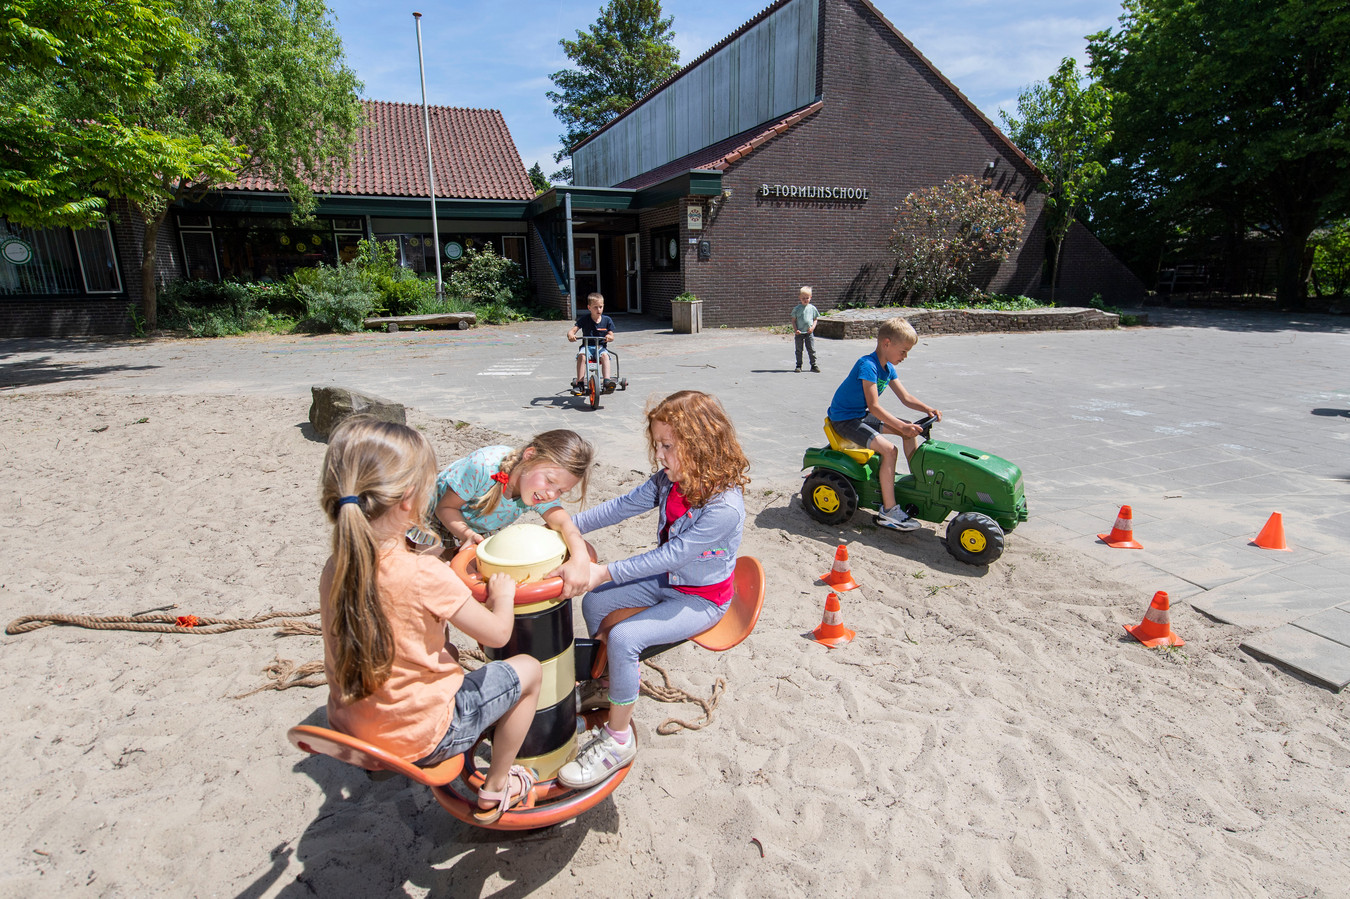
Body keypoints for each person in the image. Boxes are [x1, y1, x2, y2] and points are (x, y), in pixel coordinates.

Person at [318, 415, 542, 824]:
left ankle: (376, 764)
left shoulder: (338, 563)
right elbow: (498, 631)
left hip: (350, 725)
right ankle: (496, 788)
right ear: (409, 498)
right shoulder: (424, 574)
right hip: (421, 736)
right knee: (528, 671)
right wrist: (504, 596)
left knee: (448, 649)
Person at [556, 390, 751, 789]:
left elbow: (673, 556)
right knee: (595, 603)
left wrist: (603, 571)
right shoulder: (668, 482)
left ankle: (618, 740)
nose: (660, 455)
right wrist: (567, 527)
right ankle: (606, 687)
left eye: (668, 446)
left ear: (701, 445)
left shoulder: (724, 507)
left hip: (702, 598)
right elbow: (621, 506)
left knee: (626, 636)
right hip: (669, 583)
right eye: (658, 445)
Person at [433, 430, 594, 598]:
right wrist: (466, 534)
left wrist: (580, 557)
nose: (551, 495)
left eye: (561, 490)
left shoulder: (537, 490)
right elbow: (445, 508)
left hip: (479, 528)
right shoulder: (482, 467)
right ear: (529, 456)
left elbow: (564, 523)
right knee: (429, 576)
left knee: (474, 586)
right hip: (437, 518)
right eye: (550, 481)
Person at [825, 317, 941, 531]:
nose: (905, 356)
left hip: (859, 415)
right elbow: (875, 406)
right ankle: (888, 511)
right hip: (845, 419)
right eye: (903, 351)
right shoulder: (867, 365)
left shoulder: (888, 368)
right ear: (887, 343)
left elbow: (905, 397)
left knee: (909, 431)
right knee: (889, 450)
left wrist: (927, 409)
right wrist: (901, 425)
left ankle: (917, 480)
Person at [567, 292, 616, 391]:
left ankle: (607, 381)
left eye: (600, 307)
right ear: (589, 308)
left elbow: (611, 335)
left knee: (605, 356)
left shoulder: (607, 320)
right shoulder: (585, 319)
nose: (598, 310)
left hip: (601, 347)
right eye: (595, 307)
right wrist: (571, 335)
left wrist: (609, 337)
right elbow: (572, 330)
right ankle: (580, 383)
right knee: (582, 356)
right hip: (587, 347)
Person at [791, 285, 820, 373]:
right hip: (799, 333)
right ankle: (799, 365)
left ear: (810, 297)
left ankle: (813, 365)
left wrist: (812, 328)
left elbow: (815, 319)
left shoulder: (812, 308)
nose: (805, 300)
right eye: (803, 298)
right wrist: (796, 330)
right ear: (799, 298)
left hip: (809, 332)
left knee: (811, 349)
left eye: (807, 298)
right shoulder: (797, 309)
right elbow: (793, 320)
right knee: (799, 350)